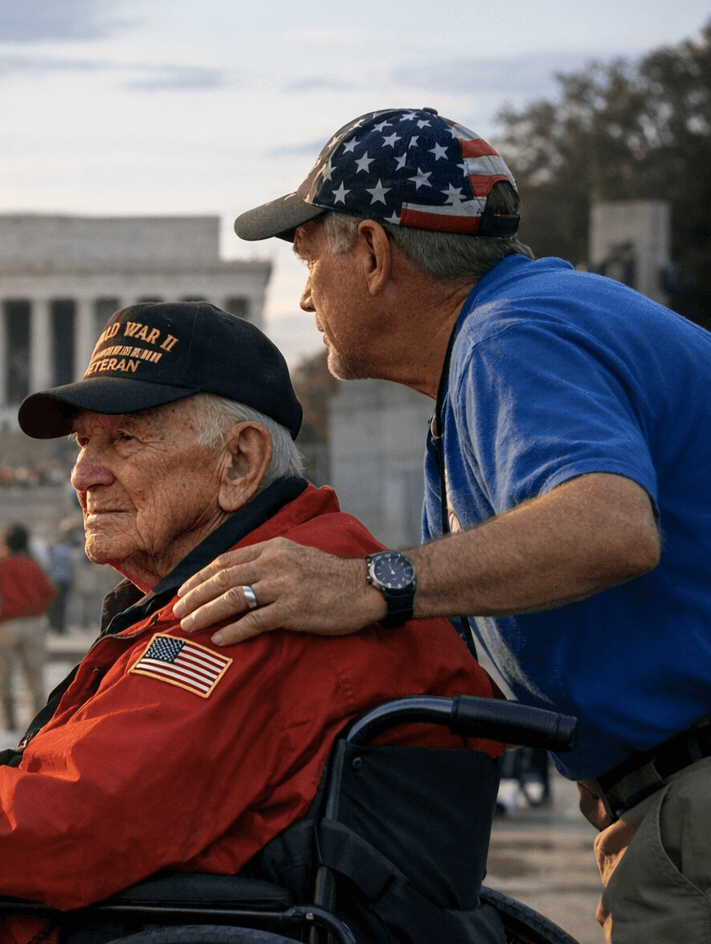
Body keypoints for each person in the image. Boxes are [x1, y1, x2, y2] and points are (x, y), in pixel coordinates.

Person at [0, 303, 501, 944]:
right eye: (83, 443)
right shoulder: (254, 575)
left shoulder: (270, 591)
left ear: (239, 462)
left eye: (124, 440)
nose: (83, 473)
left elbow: (71, 821)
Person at [174, 106, 711, 940]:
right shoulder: (526, 331)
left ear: (376, 254)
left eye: (308, 250)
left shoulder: (512, 336)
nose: (306, 290)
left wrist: (370, 581)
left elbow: (613, 526)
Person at [0, 523, 54, 731]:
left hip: (6, 623)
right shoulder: (33, 565)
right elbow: (50, 592)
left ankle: (9, 721)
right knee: (35, 677)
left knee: (3, 676)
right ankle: (38, 722)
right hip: (33, 623)